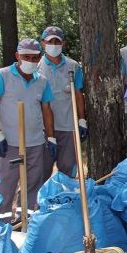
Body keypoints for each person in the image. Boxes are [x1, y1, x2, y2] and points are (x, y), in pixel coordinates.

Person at [0, 39, 55, 222]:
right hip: (9, 144)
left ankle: (27, 222)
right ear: (17, 56)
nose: (30, 61)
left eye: (34, 57)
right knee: (5, 186)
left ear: (40, 58)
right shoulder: (2, 76)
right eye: (26, 57)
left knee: (33, 186)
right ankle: (1, 225)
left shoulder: (42, 81)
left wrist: (51, 137)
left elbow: (46, 110)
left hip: (35, 143)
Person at [37, 26, 86, 180]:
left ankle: (65, 201)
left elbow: (78, 94)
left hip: (68, 126)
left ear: (63, 43)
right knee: (40, 172)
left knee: (68, 171)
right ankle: (35, 203)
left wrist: (82, 119)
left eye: (57, 42)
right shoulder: (36, 68)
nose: (54, 45)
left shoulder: (73, 66)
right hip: (42, 129)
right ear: (43, 43)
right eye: (50, 41)